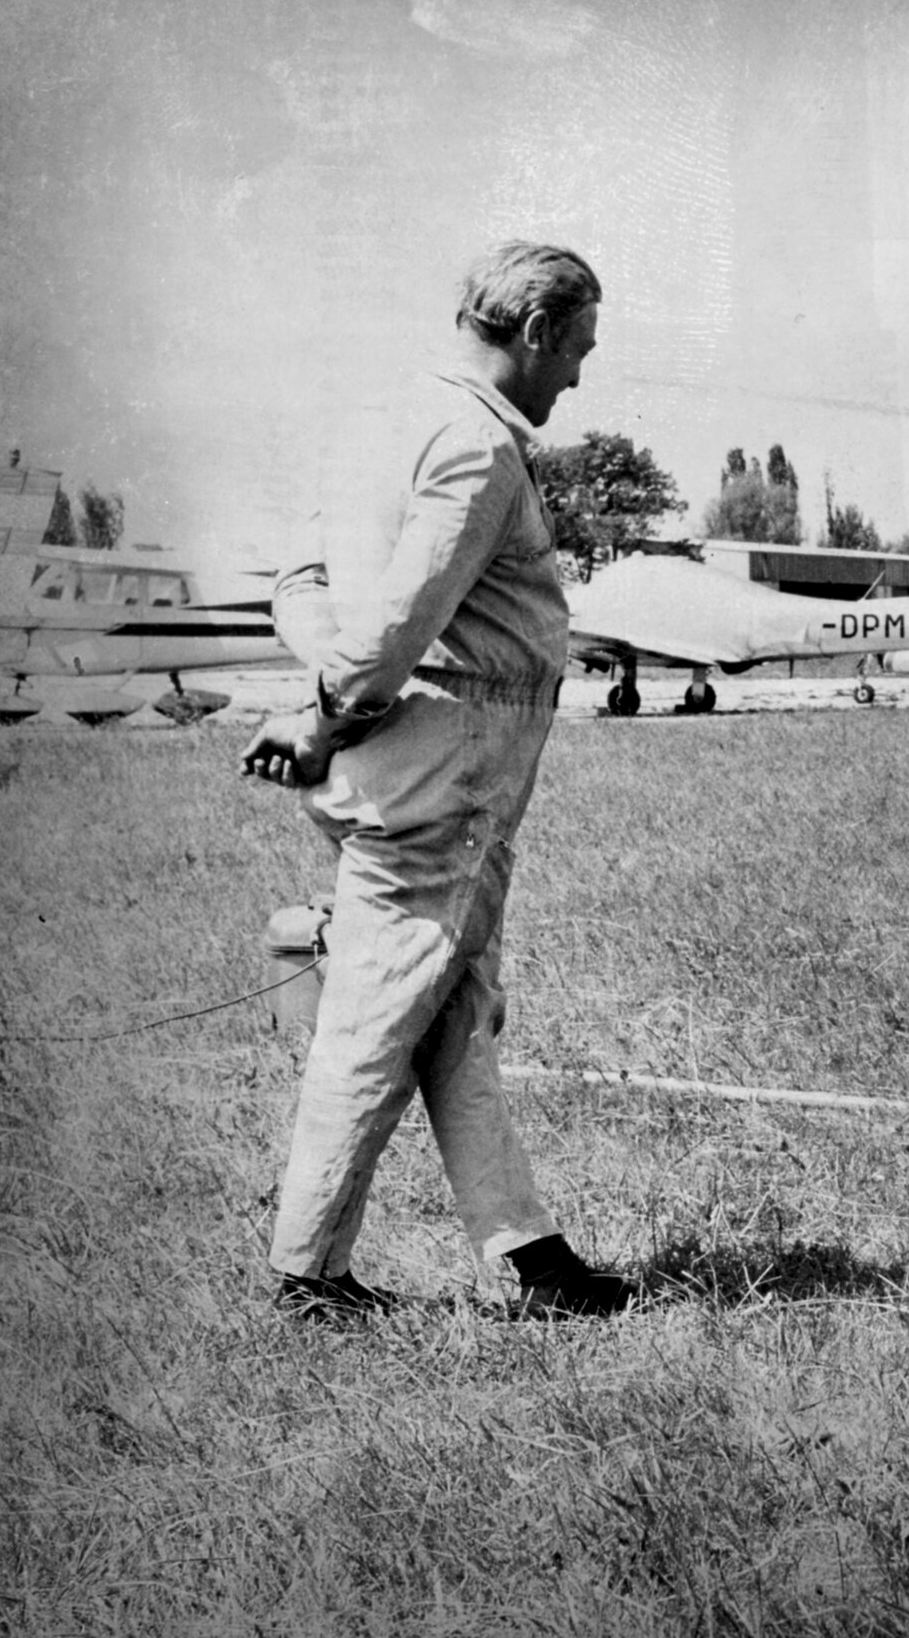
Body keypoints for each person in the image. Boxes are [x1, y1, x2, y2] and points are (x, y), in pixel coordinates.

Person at [238, 241, 630, 1323]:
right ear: (539, 331)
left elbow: (303, 582)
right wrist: (326, 716)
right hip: (443, 781)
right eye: (579, 350)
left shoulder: (383, 421)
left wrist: (326, 710)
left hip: (399, 767)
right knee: (375, 1020)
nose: (578, 378)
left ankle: (535, 1261)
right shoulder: (477, 447)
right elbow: (399, 623)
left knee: (450, 1010)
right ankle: (304, 1275)